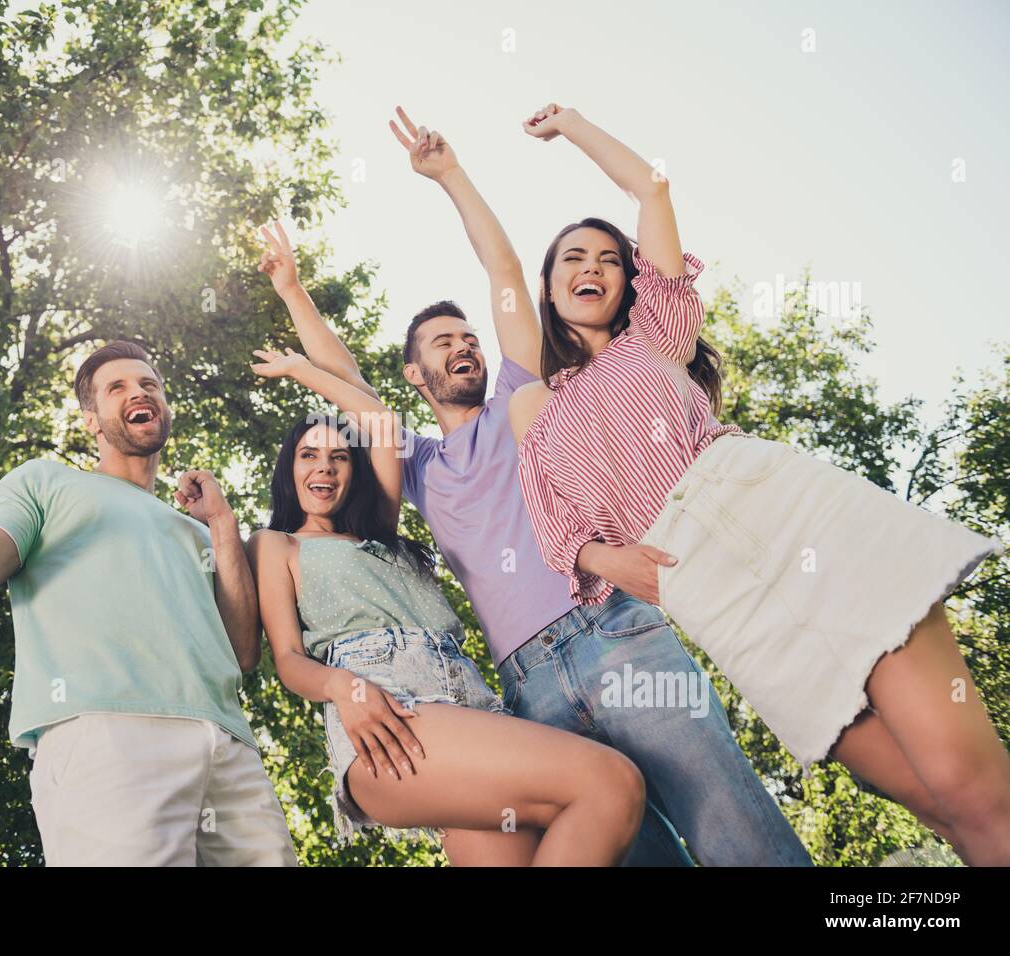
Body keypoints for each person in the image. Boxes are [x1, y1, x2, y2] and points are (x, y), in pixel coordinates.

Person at [247, 105, 812, 866]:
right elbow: (351, 386)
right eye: (444, 345)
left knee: (730, 827)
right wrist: (293, 294)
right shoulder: (415, 466)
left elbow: (505, 273)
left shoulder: (524, 398)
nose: (465, 349)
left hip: (613, 634)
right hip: (525, 688)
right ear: (416, 373)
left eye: (469, 339)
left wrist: (450, 176)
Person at [508, 101, 1010, 866]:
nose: (593, 268)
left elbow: (651, 189)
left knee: (971, 788)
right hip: (709, 588)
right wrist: (609, 561)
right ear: (548, 289)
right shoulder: (536, 406)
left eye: (609, 258)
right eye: (573, 259)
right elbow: (555, 527)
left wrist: (572, 124)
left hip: (783, 512)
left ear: (630, 283)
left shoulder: (658, 335)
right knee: (929, 801)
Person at [0, 341, 298, 866]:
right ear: (91, 421)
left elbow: (242, 652)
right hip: (107, 736)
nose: (140, 392)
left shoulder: (199, 532)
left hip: (229, 747)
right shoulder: (46, 483)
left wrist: (222, 525)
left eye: (149, 384)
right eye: (118, 387)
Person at [247, 355, 647, 864]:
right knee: (610, 782)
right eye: (308, 455)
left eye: (339, 457)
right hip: (388, 714)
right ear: (290, 470)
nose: (324, 466)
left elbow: (382, 423)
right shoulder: (276, 545)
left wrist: (300, 369)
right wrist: (346, 689)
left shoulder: (381, 534)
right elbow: (288, 660)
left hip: (469, 705)